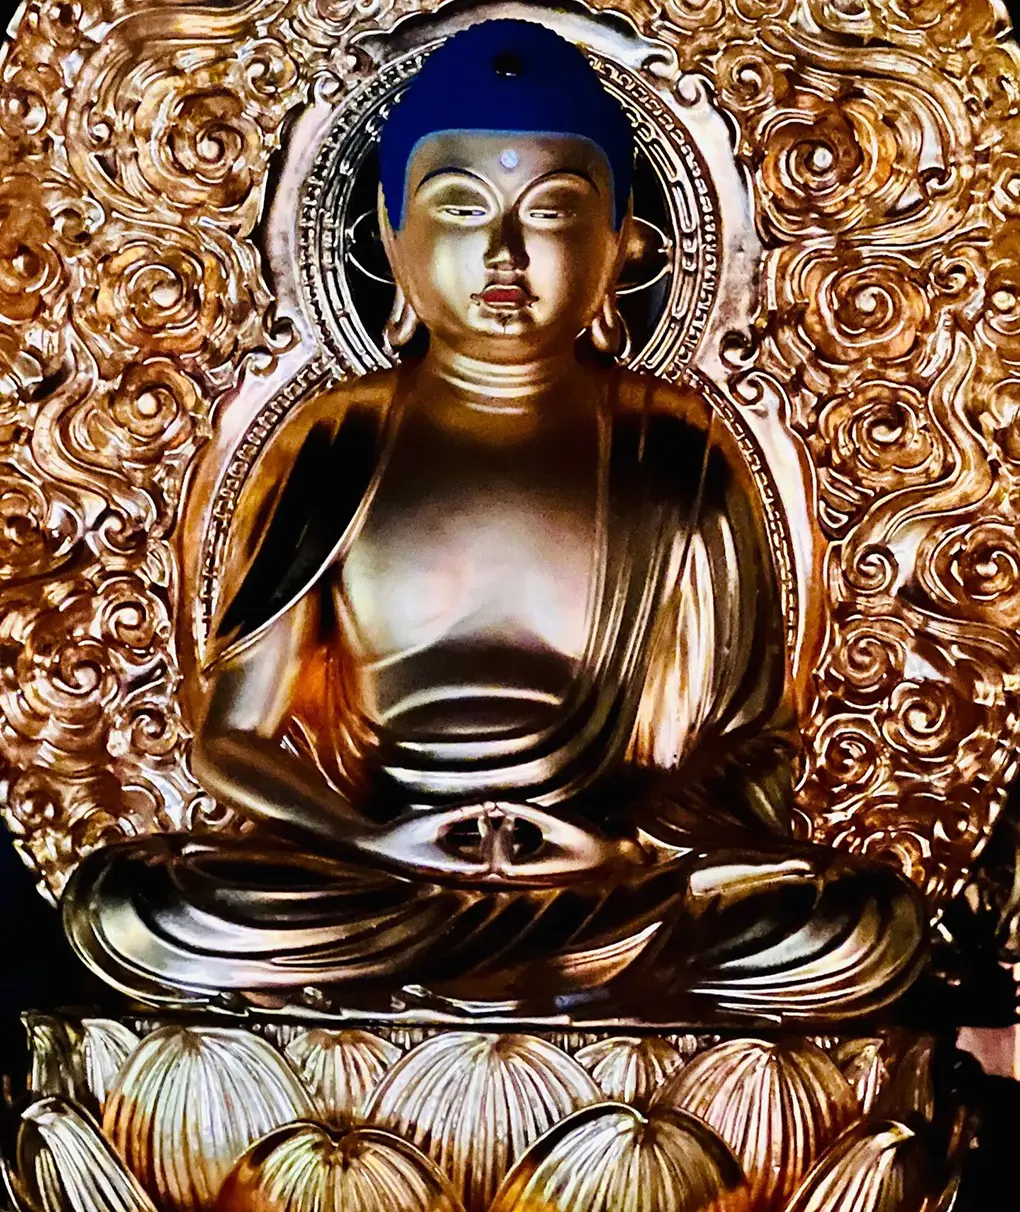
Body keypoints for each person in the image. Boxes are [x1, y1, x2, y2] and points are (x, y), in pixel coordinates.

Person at [63, 19, 925, 1020]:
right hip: (376, 870)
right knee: (133, 906)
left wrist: (617, 844)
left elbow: (751, 743)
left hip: (609, 881)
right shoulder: (336, 440)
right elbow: (234, 740)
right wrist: (374, 839)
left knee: (857, 923)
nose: (504, 252)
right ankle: (526, 988)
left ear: (620, 244)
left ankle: (462, 991)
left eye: (552, 212)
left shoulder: (679, 449)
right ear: (392, 235)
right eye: (461, 208)